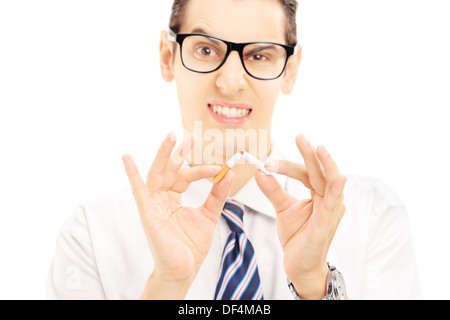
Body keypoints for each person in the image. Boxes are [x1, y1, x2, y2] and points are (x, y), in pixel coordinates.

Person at [46, 0, 421, 300]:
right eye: (206, 49)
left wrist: (314, 286)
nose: (229, 81)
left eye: (259, 55)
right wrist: (167, 286)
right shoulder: (92, 238)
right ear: (167, 56)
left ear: (290, 69)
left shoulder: (372, 218)